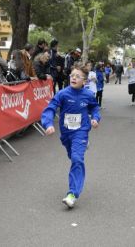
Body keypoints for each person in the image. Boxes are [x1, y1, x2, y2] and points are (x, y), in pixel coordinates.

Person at [41, 65, 101, 208]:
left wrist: (95, 118)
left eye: (77, 76)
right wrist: (48, 123)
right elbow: (50, 108)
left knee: (77, 158)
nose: (73, 78)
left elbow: (94, 107)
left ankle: (72, 194)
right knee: (72, 155)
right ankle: (80, 146)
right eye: (72, 75)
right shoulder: (62, 94)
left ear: (84, 81)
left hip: (81, 131)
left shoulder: (88, 95)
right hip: (66, 133)